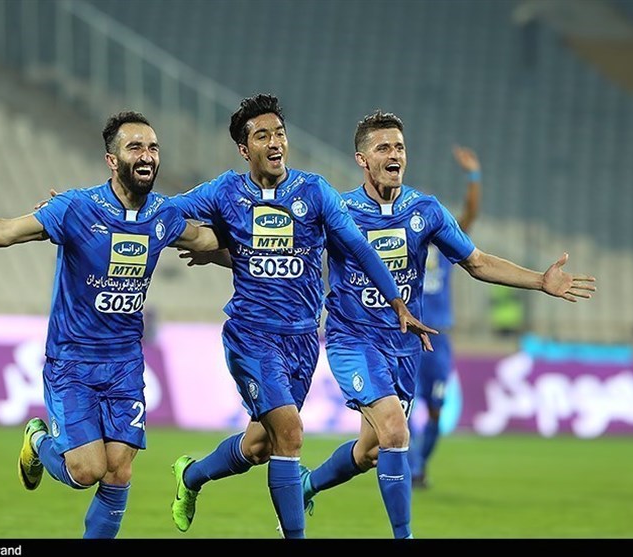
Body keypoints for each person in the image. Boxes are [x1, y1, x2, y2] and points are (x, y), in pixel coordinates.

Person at [0, 111, 221, 539]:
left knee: (119, 471)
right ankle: (38, 440)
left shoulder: (162, 215)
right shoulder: (76, 208)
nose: (147, 155)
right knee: (86, 471)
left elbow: (207, 240)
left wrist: (266, 251)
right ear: (112, 160)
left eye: (152, 147)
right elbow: (7, 231)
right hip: (72, 362)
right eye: (135, 147)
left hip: (125, 364)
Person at [296, 110, 595, 538]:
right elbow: (294, 251)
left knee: (370, 451)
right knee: (395, 431)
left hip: (404, 345)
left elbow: (476, 261)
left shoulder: (426, 210)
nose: (394, 154)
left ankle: (307, 485)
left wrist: (539, 280)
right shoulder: (339, 211)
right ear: (362, 159)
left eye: (399, 147)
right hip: (353, 340)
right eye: (383, 148)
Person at [167, 94, 436, 539]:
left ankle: (191, 476)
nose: (275, 142)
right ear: (244, 149)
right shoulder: (225, 191)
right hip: (252, 336)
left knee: (259, 446)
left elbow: (359, 247)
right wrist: (91, 209)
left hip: (303, 338)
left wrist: (397, 302)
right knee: (291, 433)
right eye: (263, 136)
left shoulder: (314, 192)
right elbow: (163, 212)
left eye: (280, 133)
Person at [408, 145, 481, 489]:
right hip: (406, 334)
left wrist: (474, 176)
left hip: (439, 337)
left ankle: (420, 464)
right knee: (401, 407)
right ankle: (409, 466)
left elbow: (470, 214)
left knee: (435, 409)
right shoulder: (402, 243)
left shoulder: (445, 244)